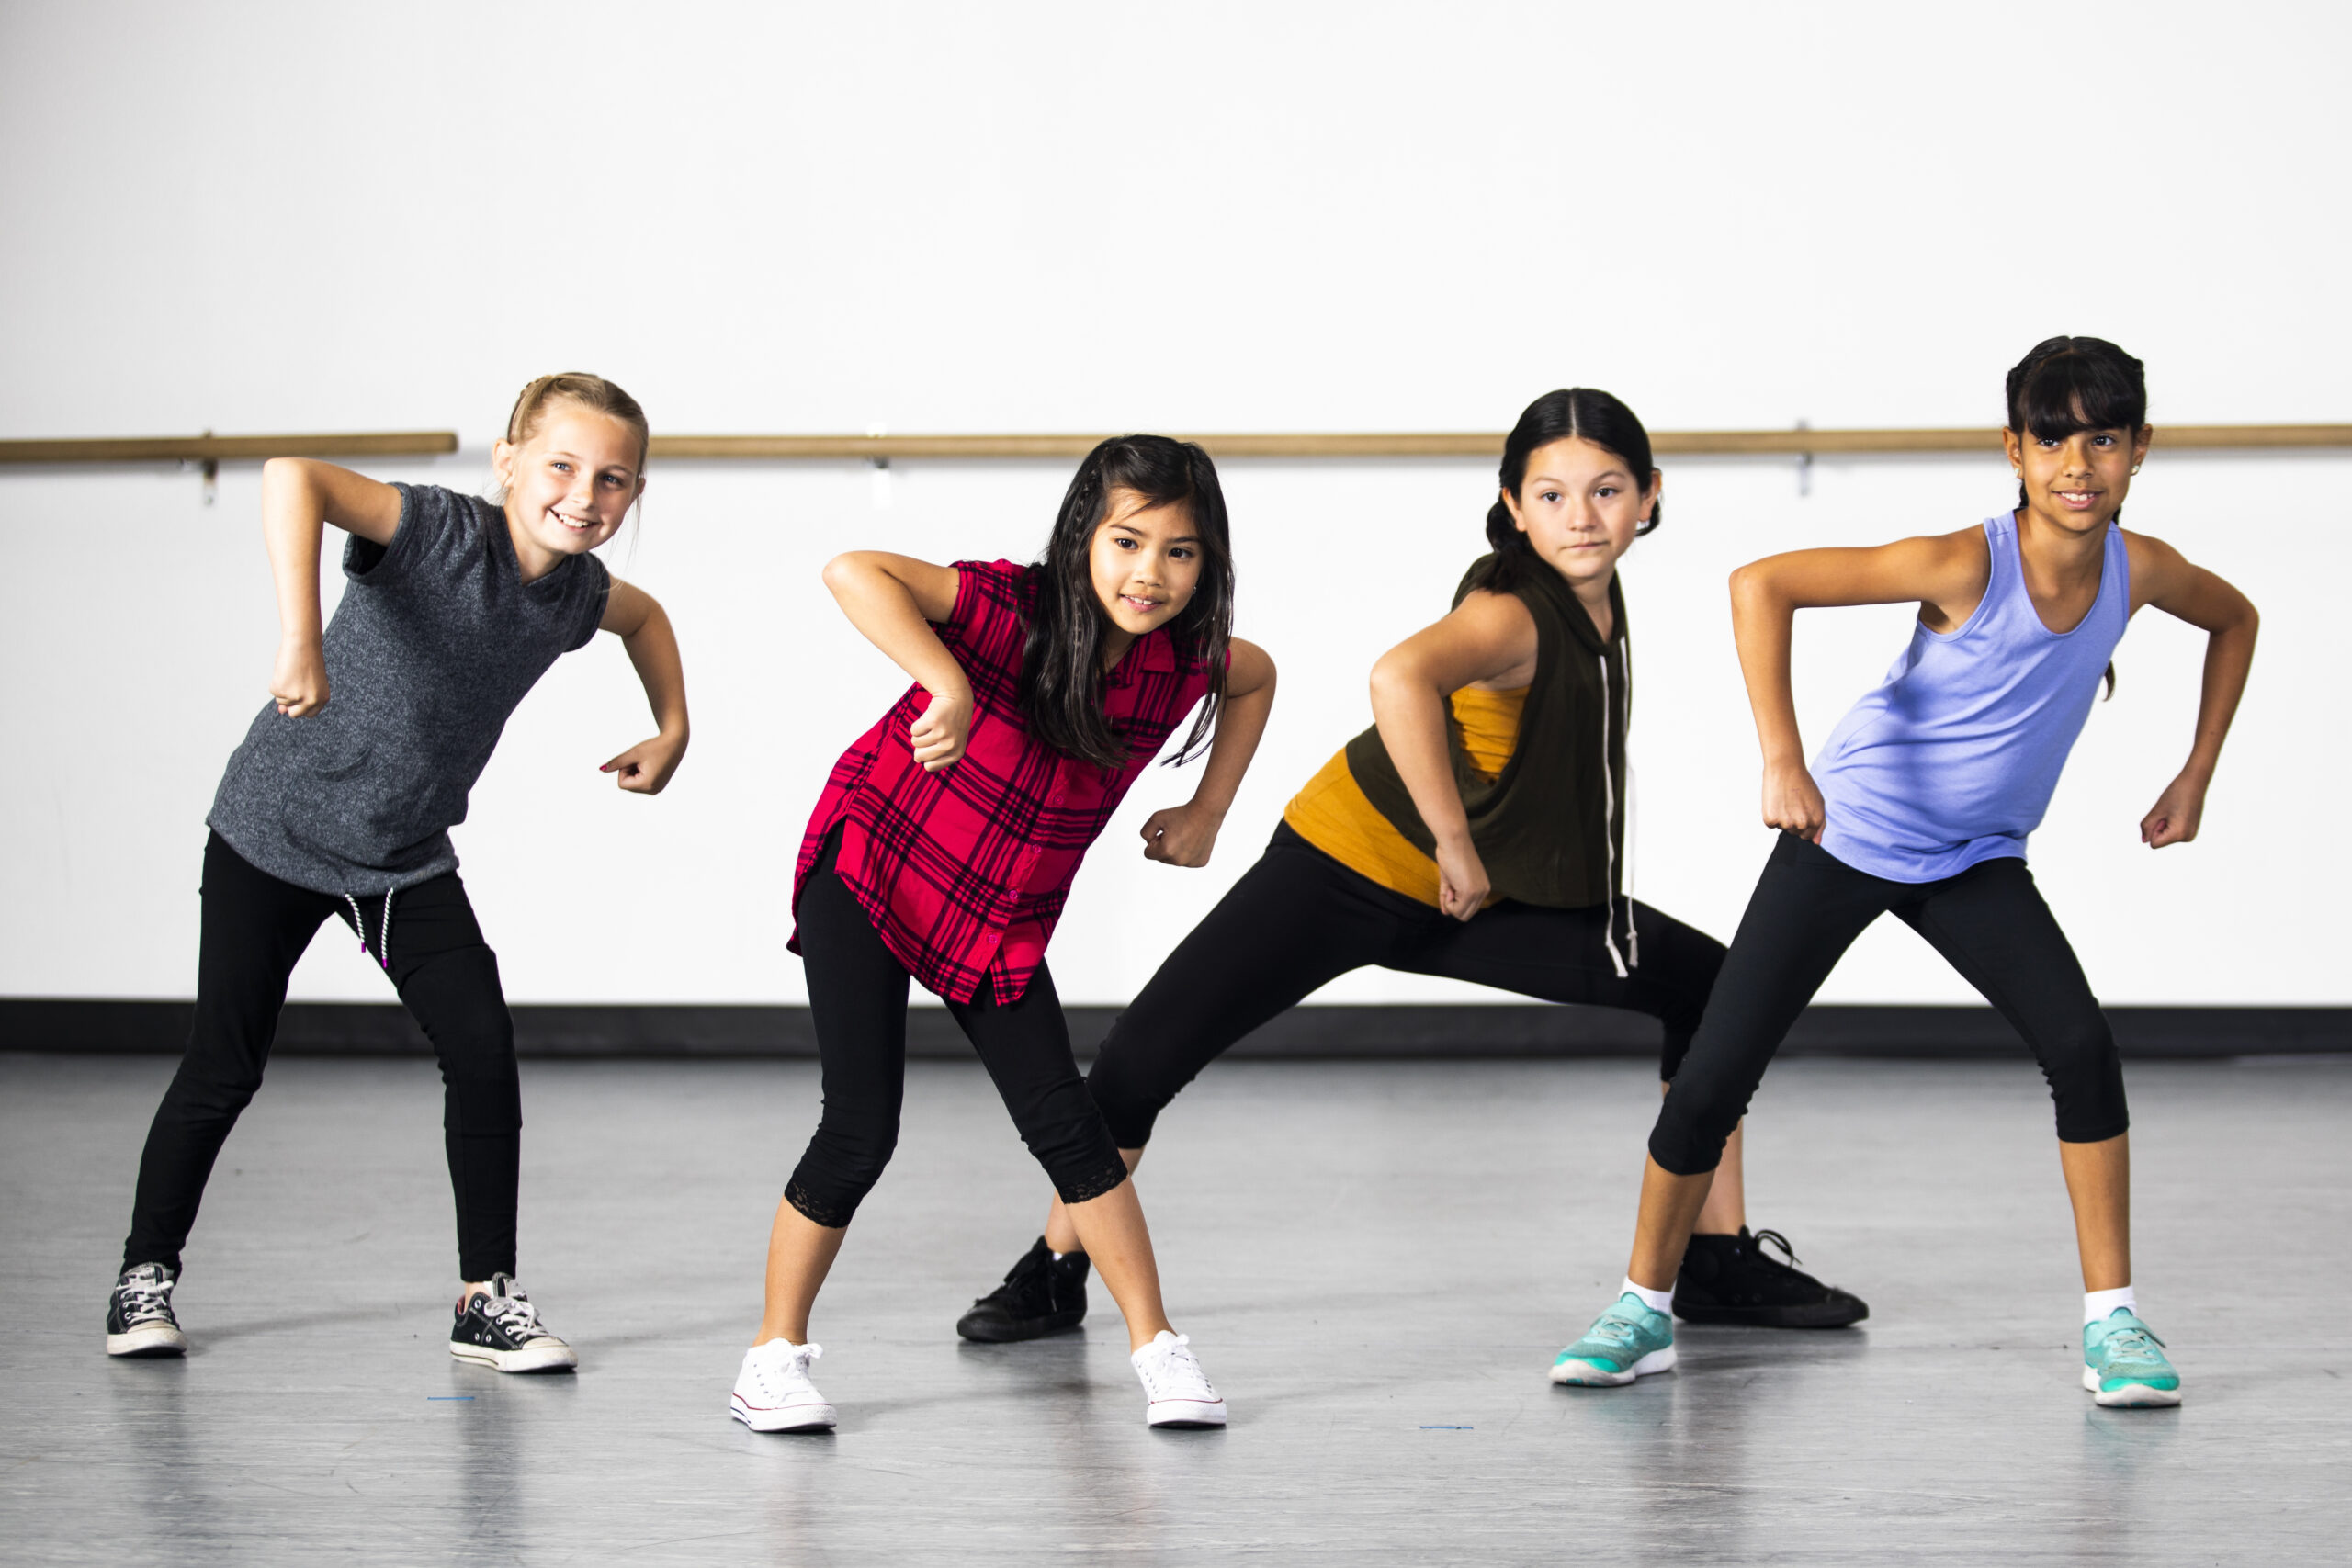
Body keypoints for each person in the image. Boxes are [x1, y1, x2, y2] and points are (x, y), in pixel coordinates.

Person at [957, 389, 1865, 1348]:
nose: (1582, 517)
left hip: (1472, 898)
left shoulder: (1592, 597)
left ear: (1648, 496)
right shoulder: (1514, 611)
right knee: (1141, 1061)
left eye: (1604, 491)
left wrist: (1464, 860)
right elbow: (1399, 677)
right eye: (1551, 496)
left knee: (1708, 991)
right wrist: (1453, 842)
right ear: (1514, 506)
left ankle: (1713, 1257)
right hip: (1345, 867)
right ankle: (1054, 1268)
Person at [1551, 337, 2258, 1408]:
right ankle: (1641, 1305)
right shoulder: (1966, 561)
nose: (2078, 463)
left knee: (2082, 1049)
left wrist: (2195, 771)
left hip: (1973, 861)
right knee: (1713, 1076)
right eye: (2053, 439)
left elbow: (2236, 617)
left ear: (2138, 450)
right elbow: (1762, 584)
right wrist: (1782, 760)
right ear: (2013, 451)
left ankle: (2112, 1323)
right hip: (1844, 838)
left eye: (2103, 439)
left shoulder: (2139, 569)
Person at [106, 373, 690, 1372]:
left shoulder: (576, 594)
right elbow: (294, 476)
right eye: (560, 466)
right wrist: (300, 639)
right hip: (272, 833)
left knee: (482, 1046)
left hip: (402, 857)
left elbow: (645, 618)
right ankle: (142, 1278)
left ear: (632, 496)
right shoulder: (433, 532)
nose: (585, 496)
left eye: (613, 481)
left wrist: (673, 729)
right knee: (224, 1064)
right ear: (507, 464)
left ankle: (485, 1296)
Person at [732, 435, 1278, 1434]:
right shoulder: (1012, 611)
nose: (1148, 574)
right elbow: (855, 570)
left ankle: (1159, 1351)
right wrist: (943, 683)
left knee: (1067, 1124)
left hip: (996, 910)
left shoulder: (1176, 665)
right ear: (1082, 539)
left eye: (1179, 552)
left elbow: (1255, 676)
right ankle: (772, 1358)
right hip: (874, 863)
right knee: (861, 1128)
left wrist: (1208, 810)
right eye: (1125, 542)